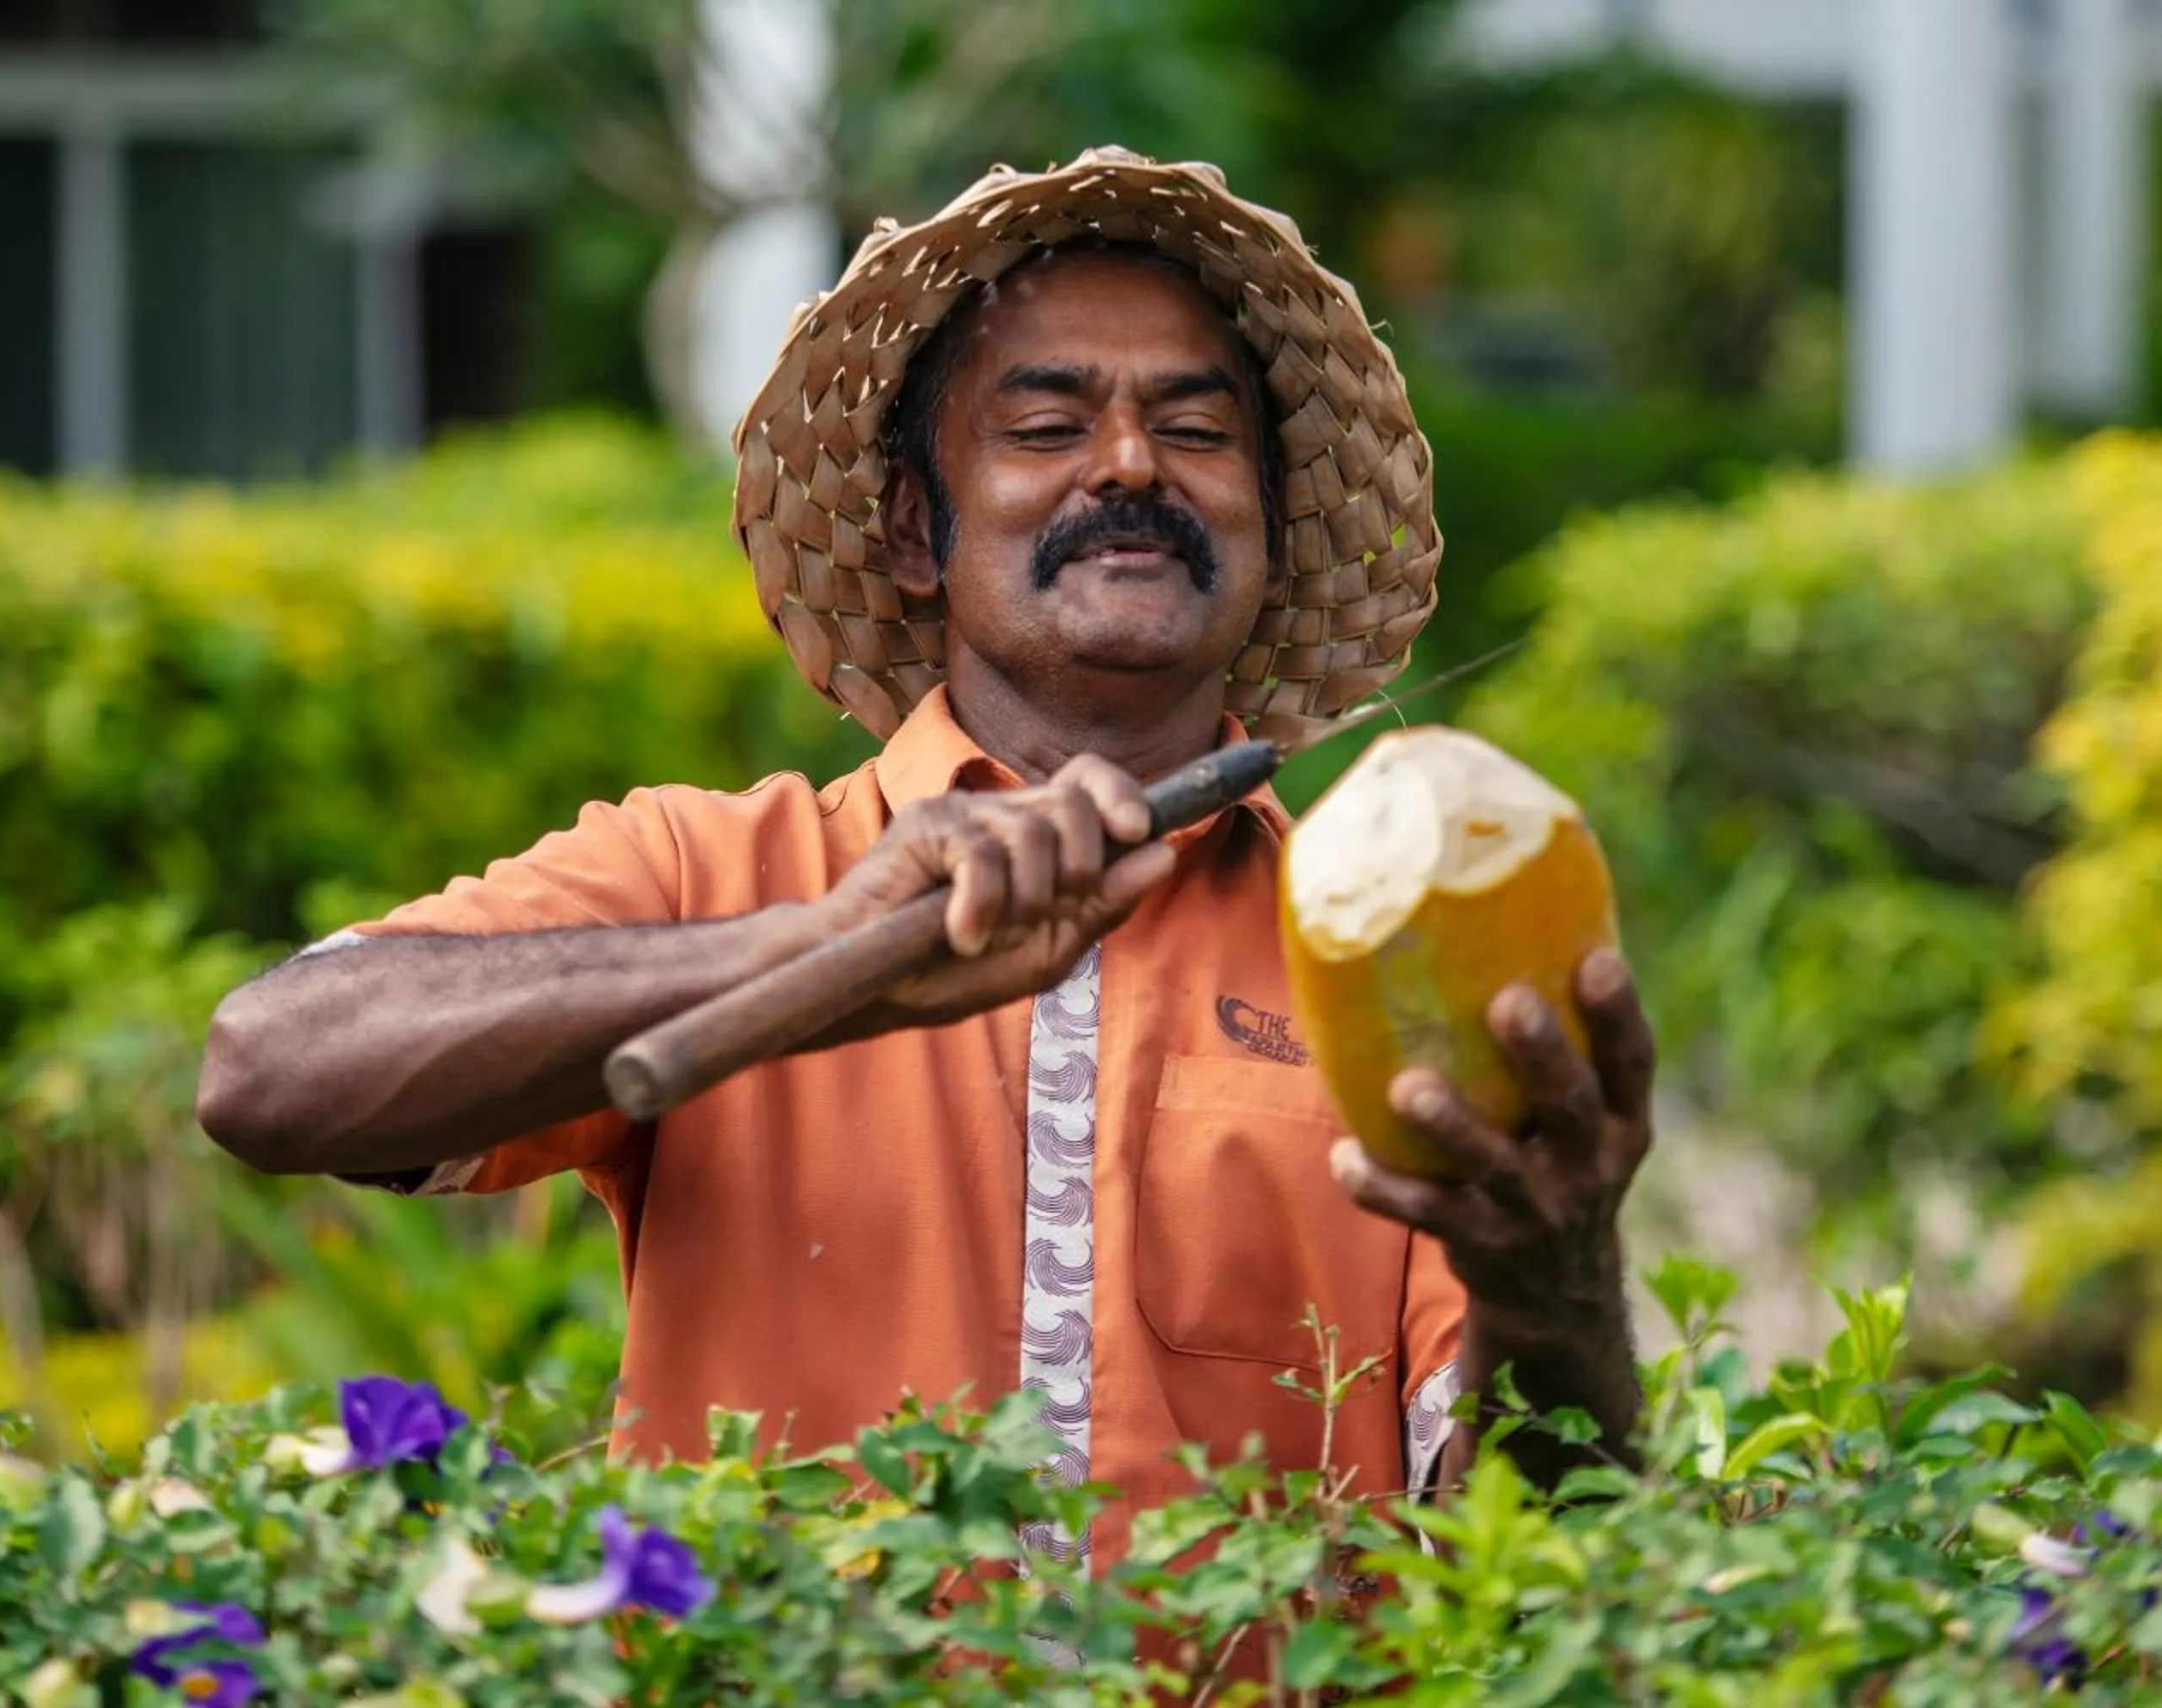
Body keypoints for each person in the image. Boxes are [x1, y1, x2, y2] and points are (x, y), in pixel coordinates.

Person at [198, 148, 1651, 1571]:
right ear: (909, 528)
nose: (1132, 463)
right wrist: (824, 955)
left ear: (1270, 532)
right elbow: (266, 1072)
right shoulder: (710, 867)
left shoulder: (1382, 954)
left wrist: (1561, 1279)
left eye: (1198, 431)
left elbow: (1536, 1562)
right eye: (1044, 425)